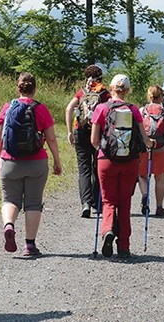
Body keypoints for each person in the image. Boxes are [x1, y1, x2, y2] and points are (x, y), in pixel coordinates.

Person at [0, 72, 62, 257]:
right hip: (36, 162)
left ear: (18, 88)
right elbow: (51, 138)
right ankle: (29, 245)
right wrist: (57, 161)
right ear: (35, 88)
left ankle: (9, 225)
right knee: (33, 203)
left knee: (9, 200)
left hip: (9, 161)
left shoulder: (7, 108)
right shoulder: (41, 109)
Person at [90, 74, 153, 258]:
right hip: (130, 162)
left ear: (111, 88)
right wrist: (151, 145)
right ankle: (124, 247)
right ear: (127, 90)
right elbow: (145, 139)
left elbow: (94, 140)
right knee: (124, 204)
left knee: (108, 200)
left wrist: (104, 152)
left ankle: (108, 230)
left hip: (106, 160)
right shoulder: (134, 110)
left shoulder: (101, 108)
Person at [65, 65, 111, 218]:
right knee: (97, 167)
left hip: (80, 131)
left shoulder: (82, 92)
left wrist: (69, 132)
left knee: (84, 169)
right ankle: (97, 203)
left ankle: (85, 203)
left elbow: (68, 109)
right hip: (97, 133)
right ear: (101, 78)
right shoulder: (104, 93)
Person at [138, 85, 164, 216]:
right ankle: (159, 207)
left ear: (149, 96)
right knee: (160, 178)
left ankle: (145, 195)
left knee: (142, 175)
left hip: (144, 148)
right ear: (161, 97)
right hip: (163, 149)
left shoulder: (141, 111)